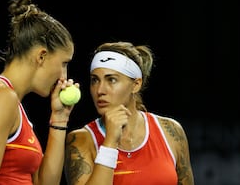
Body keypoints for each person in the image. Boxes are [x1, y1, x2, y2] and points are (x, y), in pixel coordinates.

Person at [0, 0, 79, 185]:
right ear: (41, 56)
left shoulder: (13, 103)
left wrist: (60, 119)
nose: (64, 77)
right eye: (64, 63)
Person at [64, 41, 194, 185]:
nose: (100, 90)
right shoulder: (80, 140)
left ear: (136, 85)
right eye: (95, 80)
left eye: (111, 80)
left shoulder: (171, 132)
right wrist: (110, 141)